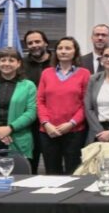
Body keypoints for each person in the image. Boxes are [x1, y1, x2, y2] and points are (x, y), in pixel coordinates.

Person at [37, 37, 91, 174]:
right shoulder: (46, 73)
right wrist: (46, 123)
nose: (63, 51)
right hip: (49, 131)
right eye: (60, 48)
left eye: (68, 48)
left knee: (74, 172)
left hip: (74, 131)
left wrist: (71, 123)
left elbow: (86, 103)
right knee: (52, 172)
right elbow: (40, 101)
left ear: (75, 52)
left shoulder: (84, 74)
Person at [22, 29, 52, 173]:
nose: (34, 45)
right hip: (29, 123)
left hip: (52, 122)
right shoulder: (21, 65)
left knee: (53, 166)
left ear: (45, 43)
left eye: (37, 41)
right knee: (30, 164)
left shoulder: (56, 62)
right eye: (30, 43)